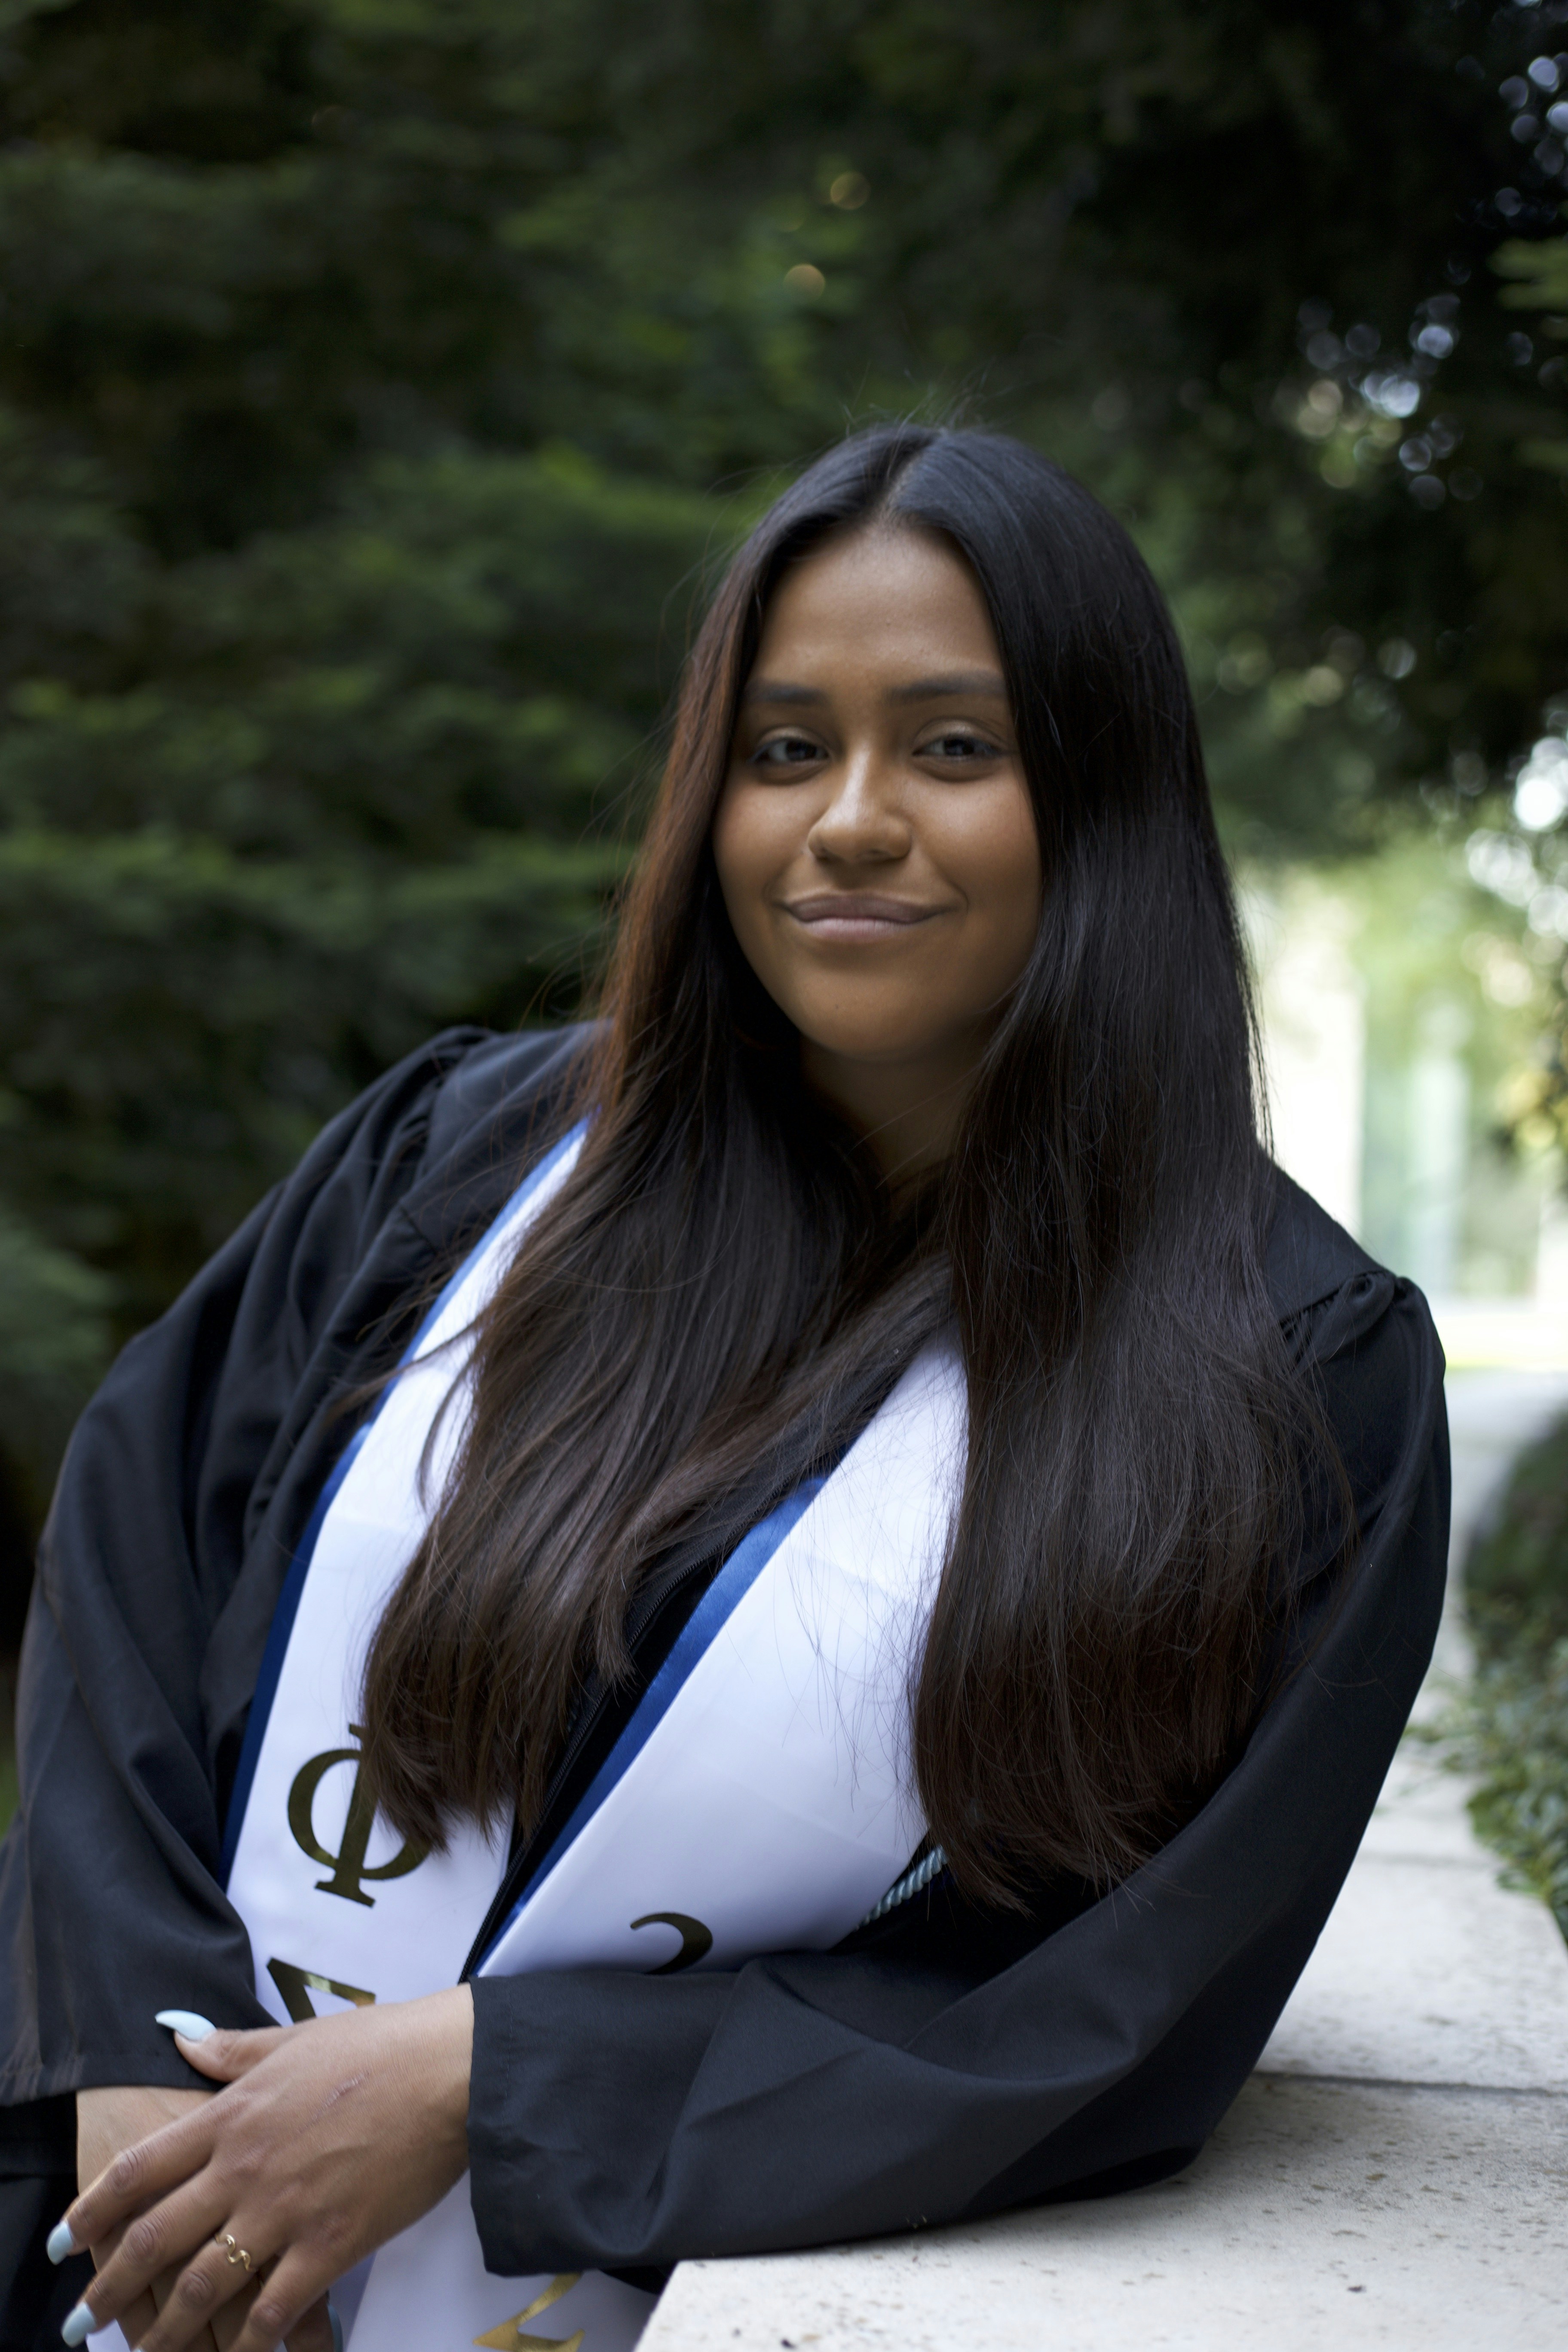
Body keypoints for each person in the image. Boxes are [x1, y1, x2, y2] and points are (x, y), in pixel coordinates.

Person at [0, 426, 1447, 2352]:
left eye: (953, 746)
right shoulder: (470, 1155)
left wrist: (478, 2087)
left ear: (1103, 798)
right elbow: (132, 1578)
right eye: (784, 750)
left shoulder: (1287, 1378)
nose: (849, 818)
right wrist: (132, 2048)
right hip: (130, 2245)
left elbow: (1110, 2004)